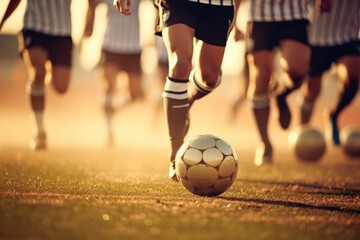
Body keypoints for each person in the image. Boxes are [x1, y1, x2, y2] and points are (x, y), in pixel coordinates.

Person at [114, 0, 239, 181]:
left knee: (210, 77)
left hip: (219, 4)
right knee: (180, 63)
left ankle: (185, 99)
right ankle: (176, 156)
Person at [0, 0, 93, 150]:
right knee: (38, 72)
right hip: (34, 26)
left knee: (61, 87)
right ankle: (39, 131)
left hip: (63, 30)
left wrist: (91, 16)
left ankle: (47, 74)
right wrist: (3, 20)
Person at [245, 0, 311, 166]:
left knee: (298, 72)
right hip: (259, 16)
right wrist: (235, 14)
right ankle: (265, 143)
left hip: (294, 13)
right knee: (261, 77)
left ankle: (282, 95)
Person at [84, 0, 144, 146]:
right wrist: (88, 24)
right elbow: (92, 3)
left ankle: (113, 106)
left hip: (133, 45)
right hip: (110, 44)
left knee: (136, 94)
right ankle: (108, 132)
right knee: (108, 87)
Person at [300, 0, 360, 145]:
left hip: (347, 36)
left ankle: (333, 115)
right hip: (316, 38)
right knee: (312, 90)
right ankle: (302, 131)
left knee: (353, 76)